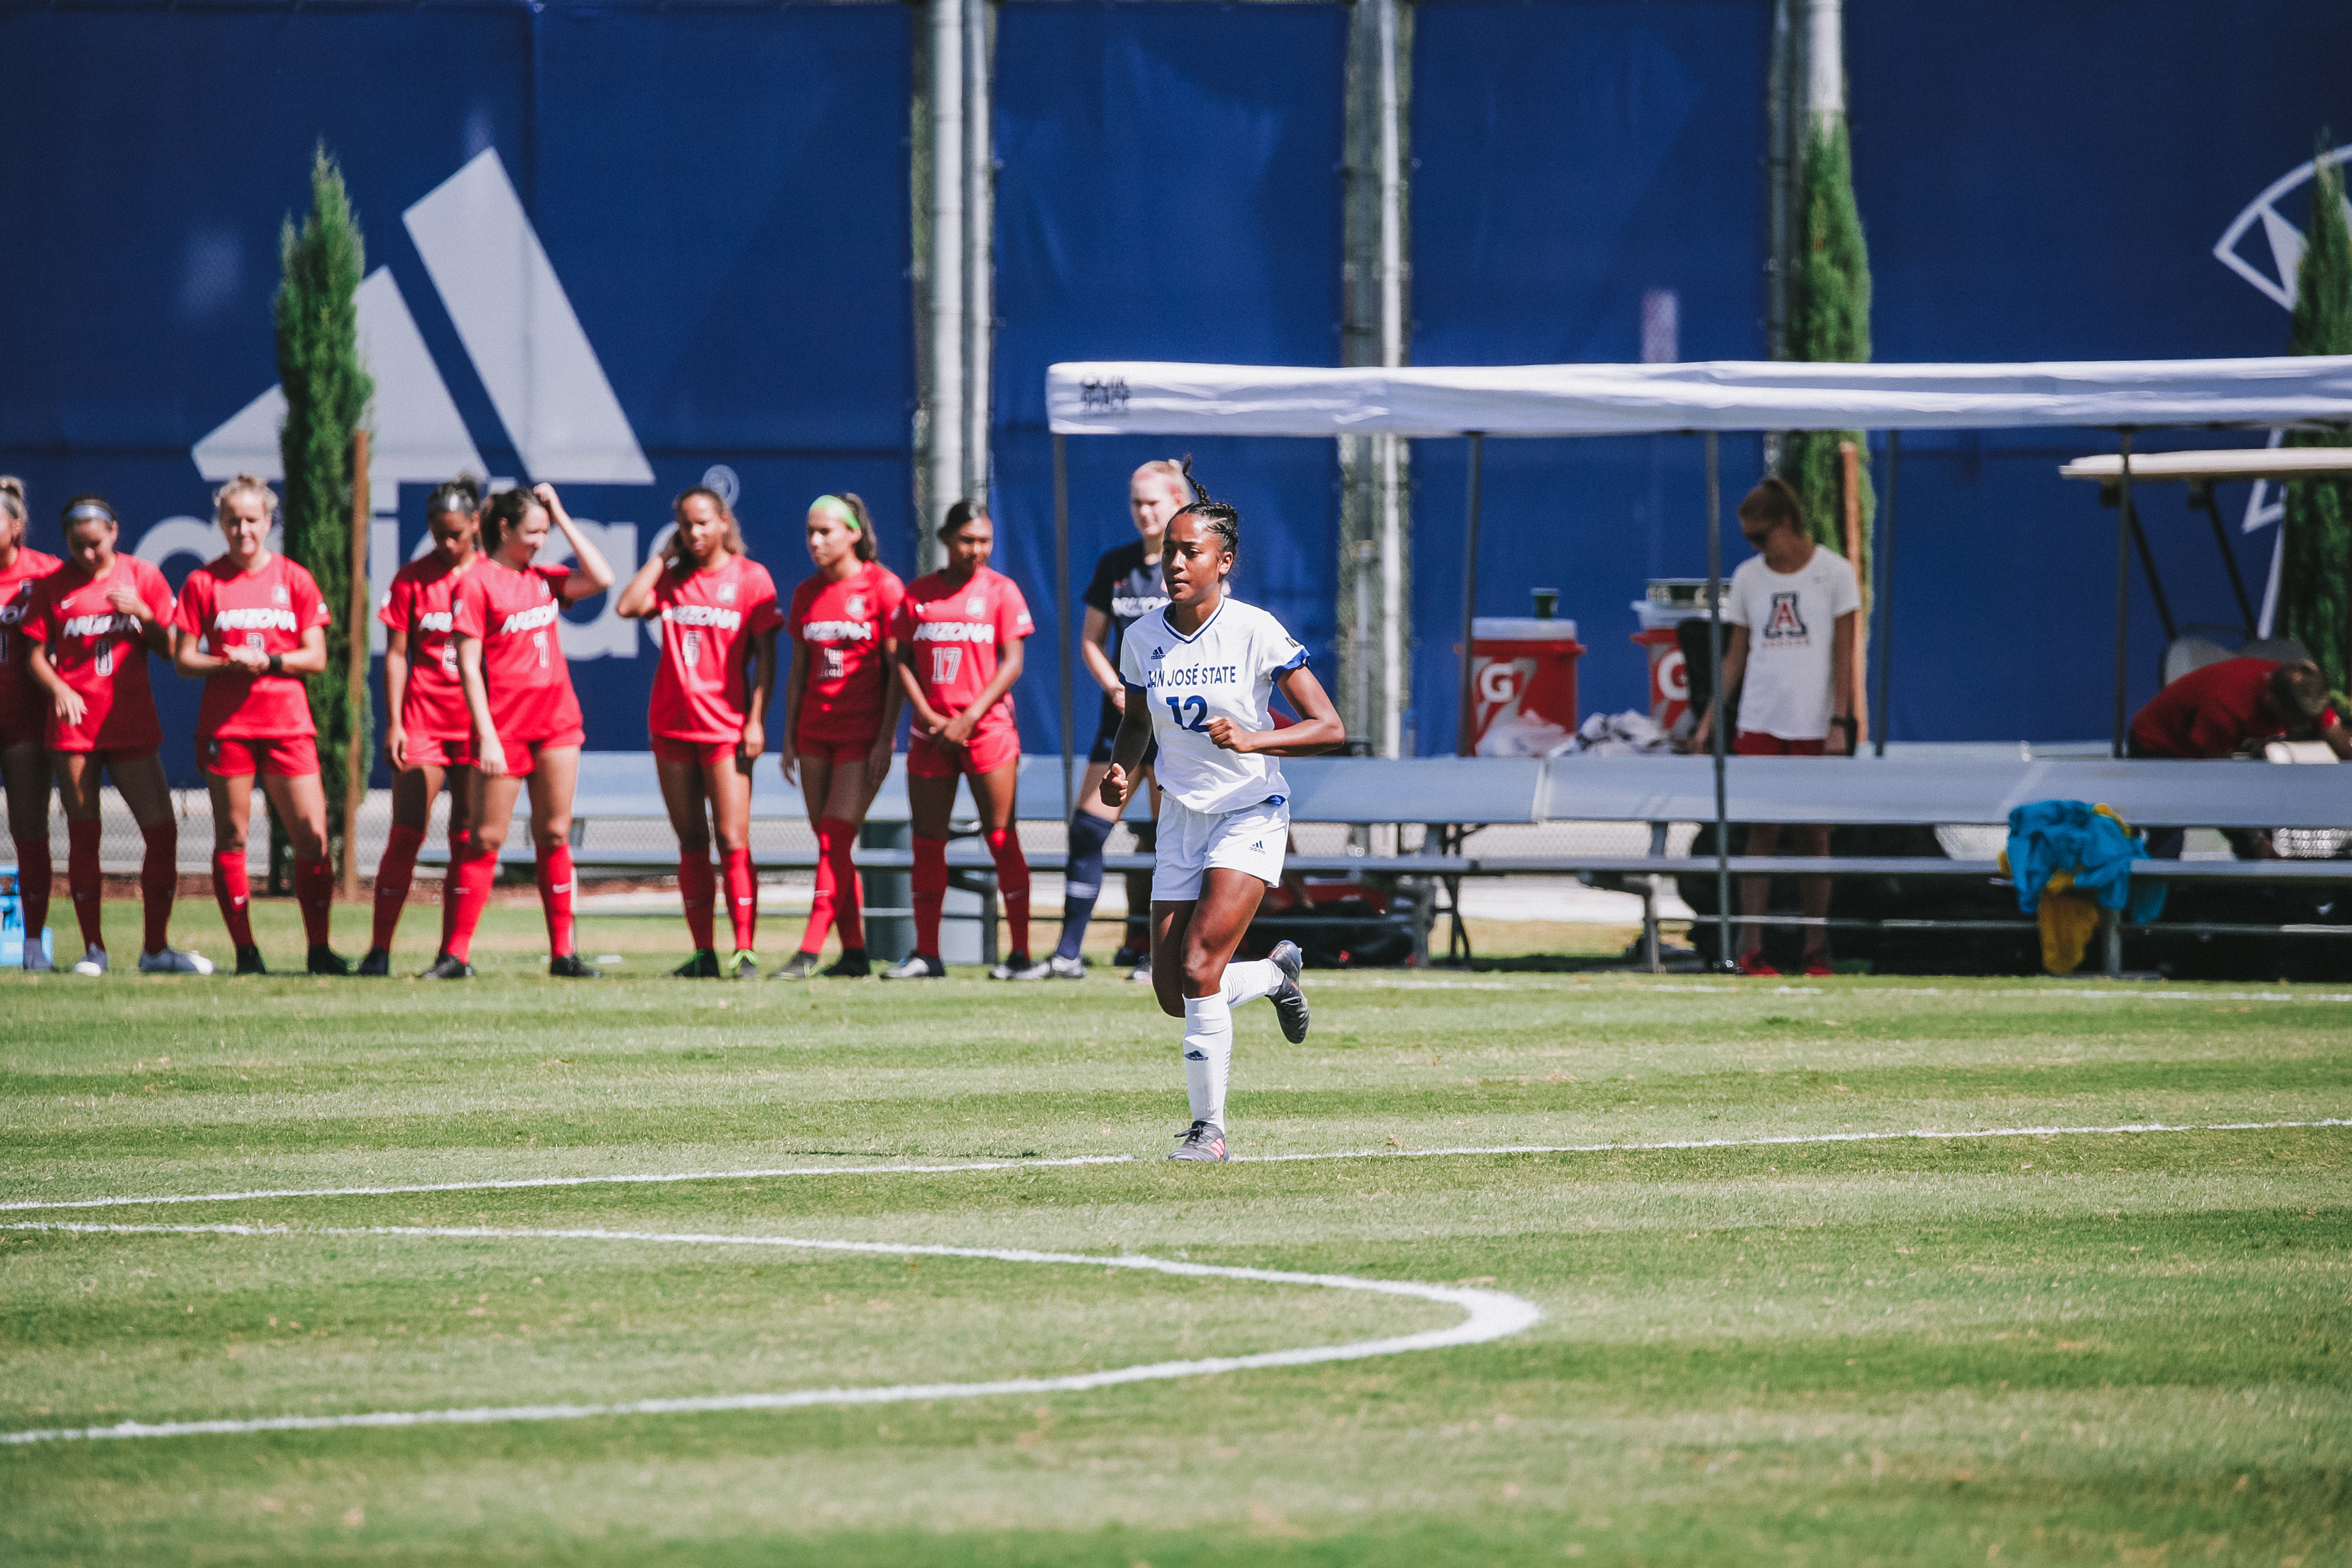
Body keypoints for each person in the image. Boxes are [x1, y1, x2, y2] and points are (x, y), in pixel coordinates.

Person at [1098, 460, 1341, 1161]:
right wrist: (1122, 770)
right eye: (1169, 552)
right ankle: (1270, 976)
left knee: (1202, 962)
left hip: (1249, 810)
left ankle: (1209, 1131)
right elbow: (1136, 723)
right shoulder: (1143, 637)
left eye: (1190, 551)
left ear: (1223, 561)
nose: (1174, 563)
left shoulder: (1255, 629)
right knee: (1173, 991)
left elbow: (1328, 726)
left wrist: (1256, 738)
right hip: (1181, 817)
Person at [21, 494, 211, 975]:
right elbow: (34, 656)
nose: (88, 554)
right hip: (75, 727)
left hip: (129, 721)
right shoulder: (53, 586)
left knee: (162, 830)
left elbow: (169, 649)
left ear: (114, 532)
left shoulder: (141, 575)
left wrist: (144, 614)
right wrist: (59, 687)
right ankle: (94, 950)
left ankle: (155, 950)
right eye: (78, 546)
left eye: (96, 544)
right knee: (84, 835)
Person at [437, 483, 615, 979]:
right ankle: (455, 955)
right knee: (485, 839)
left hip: (557, 724)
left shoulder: (543, 579)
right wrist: (487, 735)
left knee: (554, 834)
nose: (541, 541)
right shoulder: (476, 582)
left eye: (545, 532)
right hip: (505, 729)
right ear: (504, 529)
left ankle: (564, 954)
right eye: (533, 532)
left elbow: (602, 578)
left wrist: (560, 512)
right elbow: (468, 667)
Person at [171, 475, 346, 975]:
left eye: (252, 520)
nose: (242, 530)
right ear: (221, 524)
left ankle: (319, 949)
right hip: (228, 728)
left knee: (312, 839)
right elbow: (184, 660)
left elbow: (316, 657)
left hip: (288, 724)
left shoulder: (295, 579)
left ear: (269, 522)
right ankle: (246, 952)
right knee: (232, 838)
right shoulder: (203, 582)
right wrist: (225, 664)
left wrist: (267, 661)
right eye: (233, 520)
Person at [1691, 476, 1860, 978]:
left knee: (1814, 835)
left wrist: (1839, 721)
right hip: (1760, 719)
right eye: (1749, 539)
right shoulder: (1749, 578)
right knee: (1760, 832)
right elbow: (1736, 654)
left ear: (1786, 524)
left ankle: (1815, 949)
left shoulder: (1835, 573)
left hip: (1813, 723)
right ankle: (1751, 949)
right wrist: (1709, 722)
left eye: (1761, 537)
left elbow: (1845, 654)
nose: (1756, 548)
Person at [616, 485, 782, 979]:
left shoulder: (751, 578)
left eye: (703, 522)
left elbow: (767, 658)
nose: (695, 533)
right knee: (691, 841)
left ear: (724, 521)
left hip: (725, 728)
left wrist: (756, 720)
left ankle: (745, 949)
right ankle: (703, 952)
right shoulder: (673, 578)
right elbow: (627, 606)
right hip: (671, 726)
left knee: (732, 838)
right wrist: (662, 558)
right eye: (686, 525)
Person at [1030, 459, 1184, 982]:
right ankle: (1067, 954)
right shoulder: (1116, 564)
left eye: (1154, 502)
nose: (1144, 512)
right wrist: (1116, 687)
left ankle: (1162, 955)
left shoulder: (1191, 563)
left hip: (1174, 727)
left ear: (1176, 503)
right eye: (1137, 502)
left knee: (1170, 841)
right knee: (1087, 831)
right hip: (1123, 725)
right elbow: (1091, 642)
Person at [885, 500, 1034, 979]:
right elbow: (901, 659)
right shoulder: (919, 594)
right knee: (928, 841)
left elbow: (1013, 662)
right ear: (946, 540)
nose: (977, 550)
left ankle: (1021, 955)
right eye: (968, 540)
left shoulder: (1001, 591)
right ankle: (927, 954)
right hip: (931, 732)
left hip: (986, 729)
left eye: (985, 540)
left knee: (1001, 837)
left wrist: (969, 717)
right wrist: (929, 715)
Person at [772, 493, 904, 979]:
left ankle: (808, 950)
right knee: (834, 845)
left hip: (861, 735)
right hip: (814, 734)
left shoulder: (883, 587)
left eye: (825, 531)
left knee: (834, 837)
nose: (815, 541)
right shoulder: (807, 592)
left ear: (854, 533)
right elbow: (798, 673)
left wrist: (885, 739)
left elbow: (897, 673)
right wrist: (788, 737)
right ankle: (854, 954)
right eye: (810, 532)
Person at [363, 475, 483, 975]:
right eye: (438, 535)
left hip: (477, 727)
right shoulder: (412, 579)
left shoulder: (492, 577)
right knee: (406, 832)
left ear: (476, 524)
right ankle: (379, 950)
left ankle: (454, 954)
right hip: (424, 723)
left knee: (468, 837)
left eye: (457, 533)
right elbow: (396, 655)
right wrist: (395, 723)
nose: (448, 544)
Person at [2128, 655, 2348, 858]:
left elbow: (2342, 745)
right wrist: (2256, 841)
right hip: (2159, 745)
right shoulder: (2226, 707)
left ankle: (2267, 883)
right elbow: (2220, 786)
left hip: (2216, 756)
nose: (2302, 726)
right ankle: (2146, 887)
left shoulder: (2303, 692)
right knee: (2169, 836)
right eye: (2296, 720)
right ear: (2272, 701)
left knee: (2273, 838)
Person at [0, 477, 62, 970]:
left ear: (17, 526)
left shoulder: (46, 574)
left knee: (29, 833)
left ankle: (33, 944)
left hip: (23, 723)